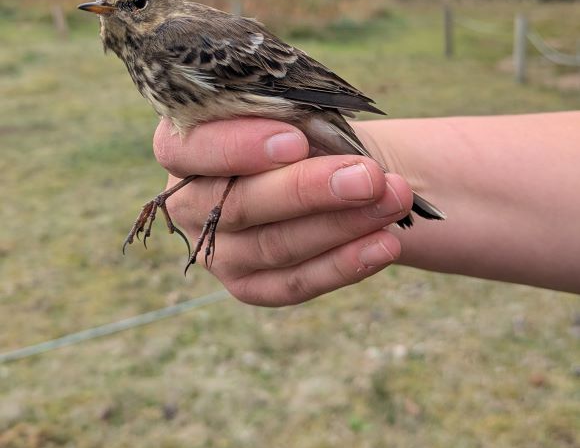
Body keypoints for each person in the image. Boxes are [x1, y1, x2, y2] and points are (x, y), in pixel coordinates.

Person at [152, 111, 580, 305]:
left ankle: (399, 201)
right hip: (313, 141)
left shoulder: (177, 41)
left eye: (136, 4)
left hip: (298, 105)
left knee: (252, 157)